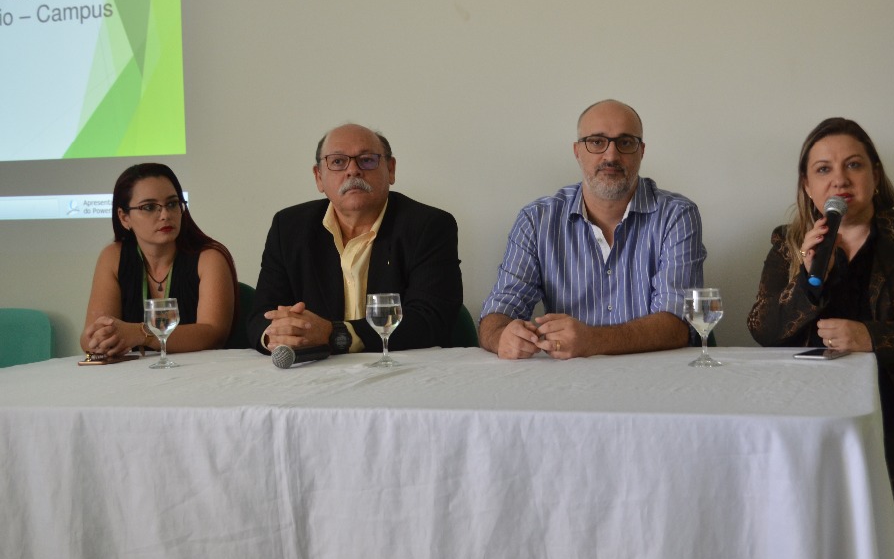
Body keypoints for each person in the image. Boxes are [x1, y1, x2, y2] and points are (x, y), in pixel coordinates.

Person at [746, 117, 894, 559]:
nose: (840, 180)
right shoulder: (788, 243)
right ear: (807, 186)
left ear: (875, 175)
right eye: (824, 169)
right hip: (809, 411)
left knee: (870, 478)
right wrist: (808, 280)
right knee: (771, 475)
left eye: (854, 165)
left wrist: (872, 337)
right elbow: (764, 330)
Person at [479, 99, 706, 360]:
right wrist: (502, 337)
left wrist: (593, 340)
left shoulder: (677, 215)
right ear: (577, 151)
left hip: (655, 373)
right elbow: (499, 309)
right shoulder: (537, 220)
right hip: (567, 377)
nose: (611, 156)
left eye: (625, 142)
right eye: (597, 142)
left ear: (641, 151)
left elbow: (678, 325)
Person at [247, 123, 462, 355]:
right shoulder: (289, 227)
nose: (353, 170)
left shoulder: (429, 226)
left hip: (402, 367)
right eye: (338, 161)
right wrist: (278, 334)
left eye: (367, 160)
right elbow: (262, 315)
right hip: (316, 370)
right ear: (319, 177)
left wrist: (335, 334)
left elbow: (431, 319)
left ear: (390, 169)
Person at [81, 163, 239, 356]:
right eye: (149, 207)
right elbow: (90, 338)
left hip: (200, 369)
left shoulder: (209, 258)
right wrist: (100, 339)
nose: (165, 215)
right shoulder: (113, 257)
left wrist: (142, 333)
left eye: (172, 204)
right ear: (124, 218)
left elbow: (213, 334)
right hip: (134, 372)